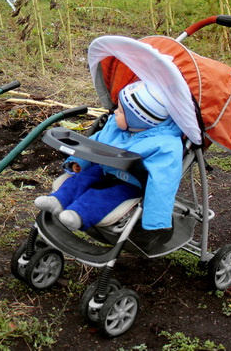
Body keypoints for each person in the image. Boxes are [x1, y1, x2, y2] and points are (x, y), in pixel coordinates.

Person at [35, 81, 184, 244]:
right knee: (82, 178)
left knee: (105, 195)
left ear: (138, 120)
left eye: (120, 111)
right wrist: (78, 160)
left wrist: (155, 219)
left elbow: (163, 183)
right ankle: (58, 200)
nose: (115, 112)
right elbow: (94, 143)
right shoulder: (116, 125)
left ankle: (78, 214)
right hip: (103, 167)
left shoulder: (166, 146)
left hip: (130, 182)